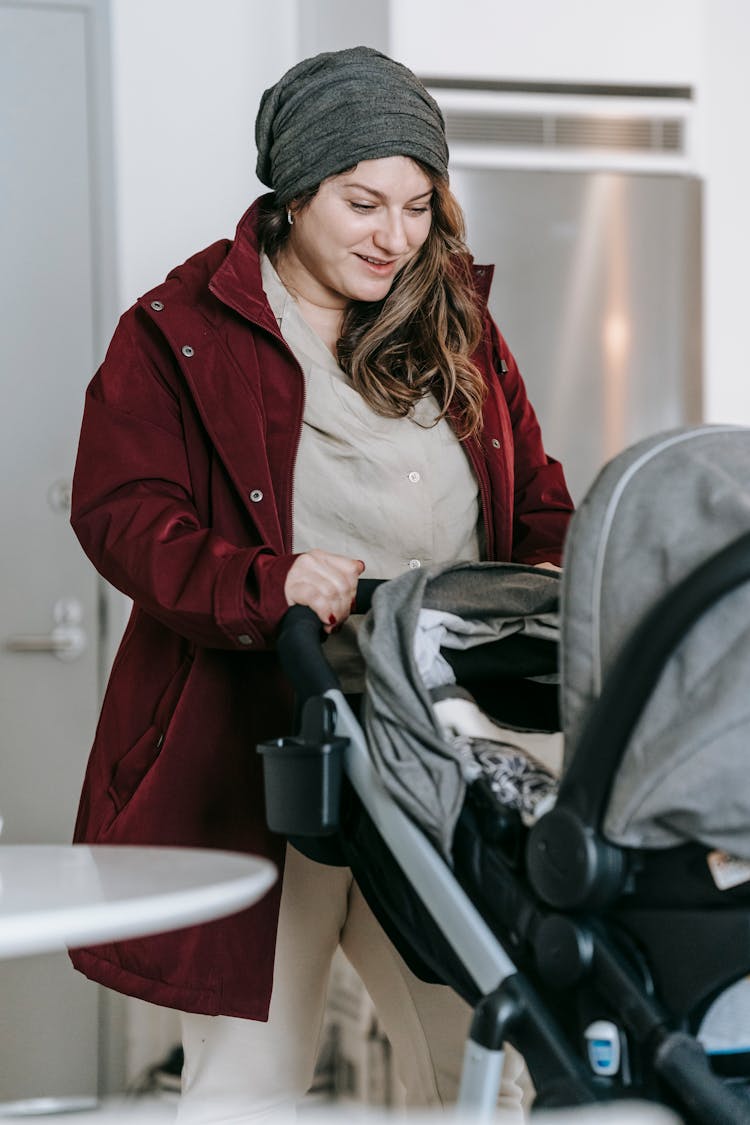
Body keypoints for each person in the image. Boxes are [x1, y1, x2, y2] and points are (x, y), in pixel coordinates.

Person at [69, 45, 574, 1124]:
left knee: (488, 1069)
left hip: (432, 753)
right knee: (246, 1088)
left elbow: (538, 497)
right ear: (296, 192)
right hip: (264, 747)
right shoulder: (181, 334)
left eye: (417, 206)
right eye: (362, 203)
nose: (394, 238)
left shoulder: (460, 332)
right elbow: (125, 515)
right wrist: (267, 579)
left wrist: (542, 573)